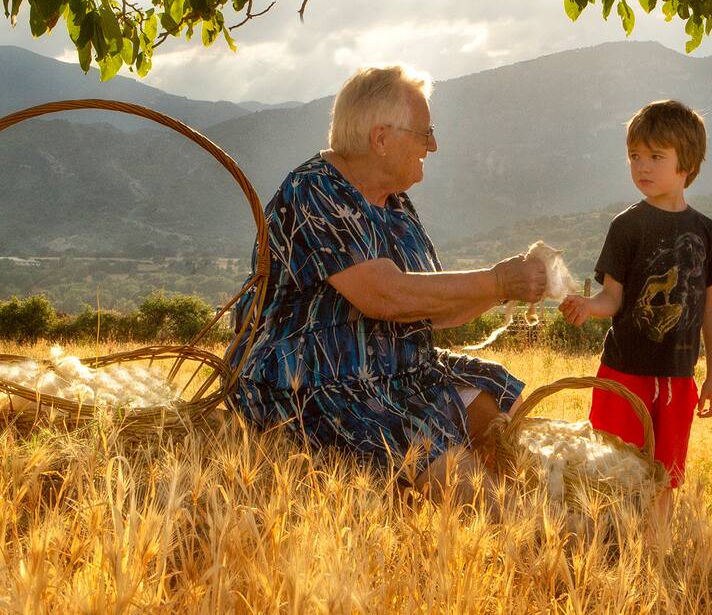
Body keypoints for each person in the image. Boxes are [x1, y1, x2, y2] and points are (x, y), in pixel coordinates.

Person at [225, 65, 546, 500]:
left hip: (400, 371)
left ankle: (553, 506)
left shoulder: (396, 204)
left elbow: (435, 308)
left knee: (491, 401)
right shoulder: (314, 191)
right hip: (318, 381)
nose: (433, 145)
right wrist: (495, 281)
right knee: (428, 446)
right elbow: (384, 296)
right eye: (425, 133)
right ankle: (529, 531)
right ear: (381, 138)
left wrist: (503, 287)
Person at [558, 99, 712, 513]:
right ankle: (610, 555)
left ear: (686, 165)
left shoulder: (707, 233)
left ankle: (655, 556)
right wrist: (588, 305)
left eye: (656, 157)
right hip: (623, 375)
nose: (642, 167)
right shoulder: (626, 227)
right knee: (610, 471)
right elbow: (613, 298)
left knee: (664, 481)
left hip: (678, 379)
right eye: (635, 156)